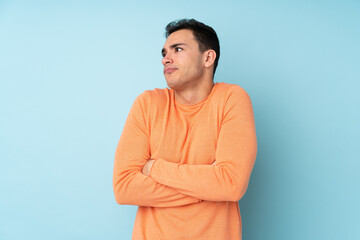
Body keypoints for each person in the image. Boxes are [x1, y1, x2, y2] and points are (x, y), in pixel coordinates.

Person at [113, 18, 257, 240]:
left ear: (207, 58)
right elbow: (124, 188)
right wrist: (208, 188)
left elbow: (231, 184)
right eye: (163, 53)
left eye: (177, 49)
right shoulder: (148, 103)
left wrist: (155, 168)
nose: (165, 59)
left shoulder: (231, 98)